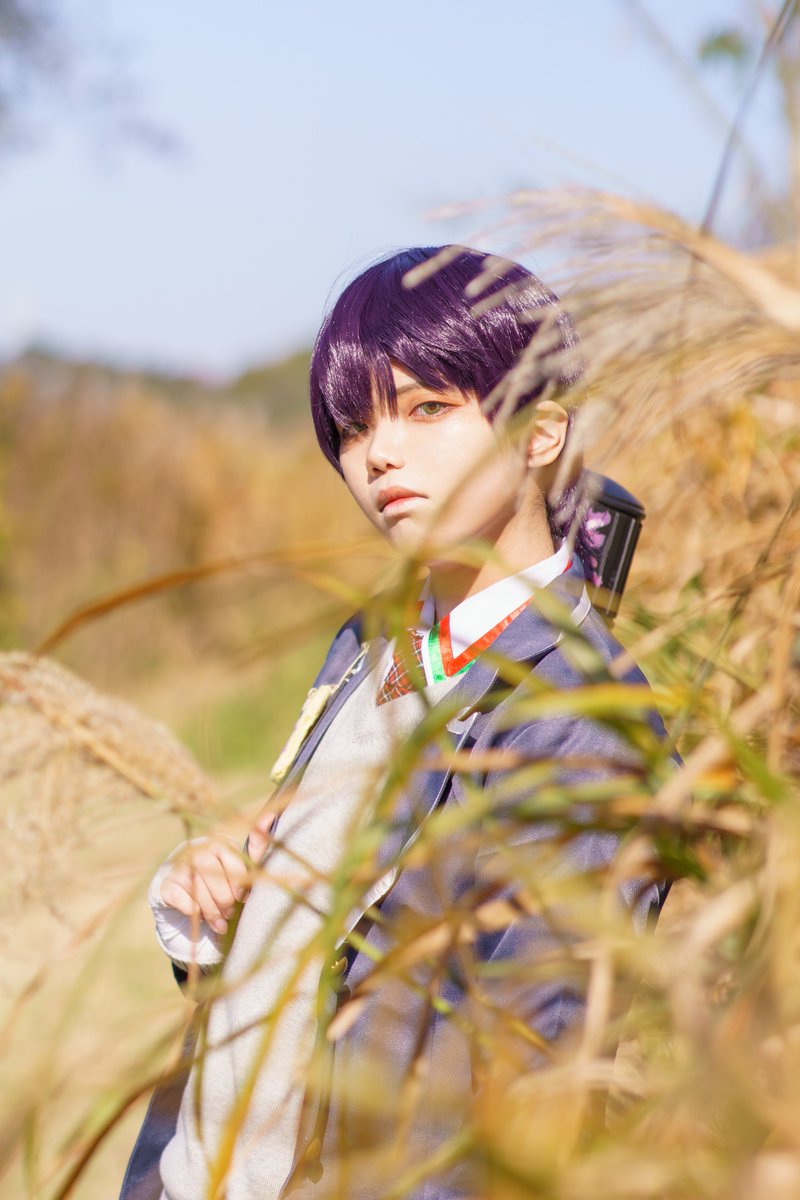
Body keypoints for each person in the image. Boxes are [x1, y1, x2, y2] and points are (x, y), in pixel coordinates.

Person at [120, 246, 670, 1200]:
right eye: (353, 425)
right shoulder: (372, 645)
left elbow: (525, 1103)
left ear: (541, 432)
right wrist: (214, 910)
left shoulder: (580, 720)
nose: (378, 454)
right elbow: (301, 982)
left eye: (425, 409)